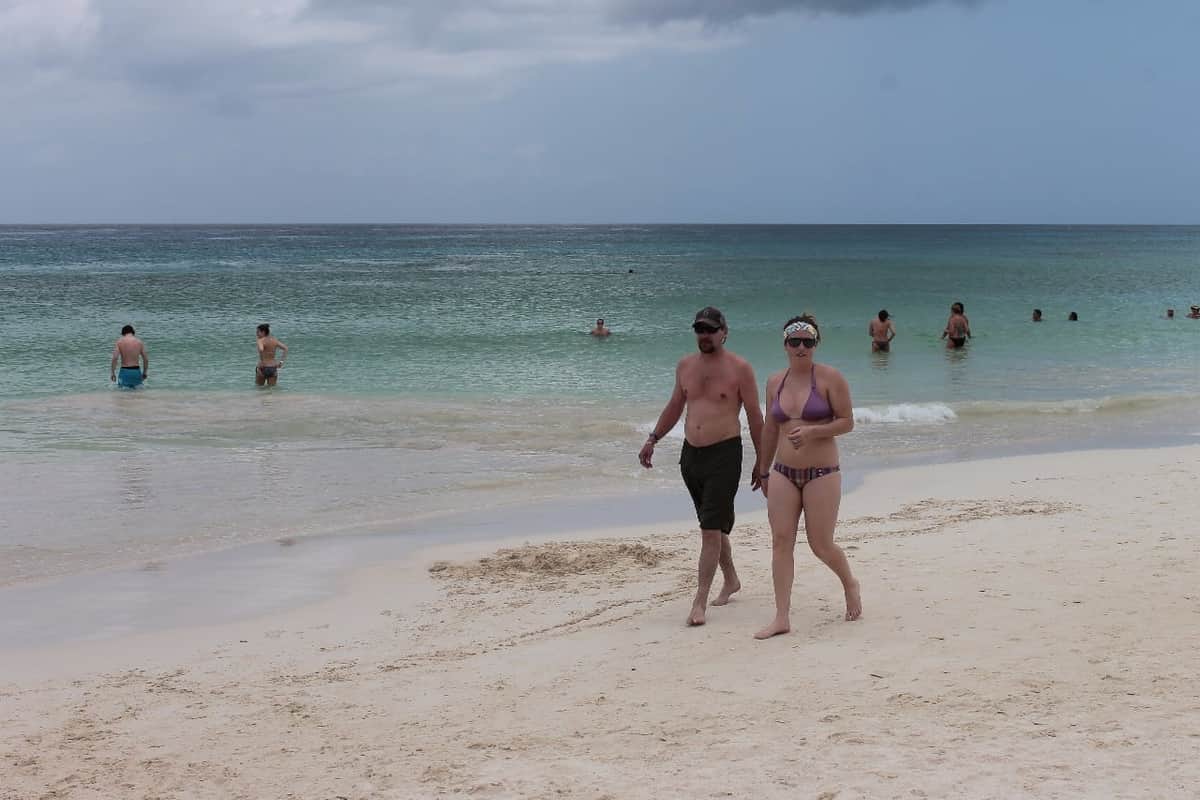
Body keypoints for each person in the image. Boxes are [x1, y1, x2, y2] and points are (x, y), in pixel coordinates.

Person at [638, 307, 764, 627]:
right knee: (714, 525)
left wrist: (763, 460)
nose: (704, 335)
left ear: (724, 331)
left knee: (709, 529)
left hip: (725, 455)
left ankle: (699, 602)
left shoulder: (740, 369)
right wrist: (653, 438)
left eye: (710, 329)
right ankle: (732, 578)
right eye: (699, 329)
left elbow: (754, 416)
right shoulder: (685, 366)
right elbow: (675, 406)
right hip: (691, 456)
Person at [754, 315, 861, 639]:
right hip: (784, 473)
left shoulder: (831, 378)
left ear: (816, 344)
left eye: (808, 341)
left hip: (822, 473)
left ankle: (850, 583)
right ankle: (781, 616)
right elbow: (771, 427)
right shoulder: (775, 381)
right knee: (781, 541)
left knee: (821, 544)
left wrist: (814, 431)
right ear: (785, 344)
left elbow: (847, 421)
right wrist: (762, 469)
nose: (801, 347)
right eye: (794, 341)